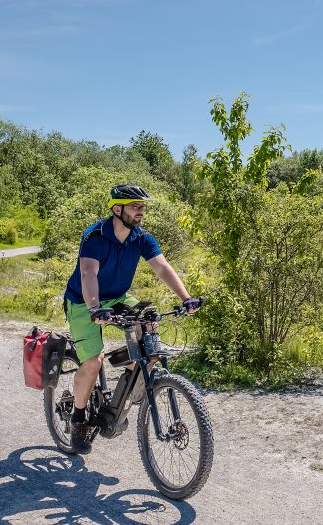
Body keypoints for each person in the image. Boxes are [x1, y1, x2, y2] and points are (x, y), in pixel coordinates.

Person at [63, 183, 199, 454]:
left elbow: (161, 266)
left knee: (150, 333)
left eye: (142, 207)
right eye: (135, 206)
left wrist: (186, 298)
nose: (141, 211)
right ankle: (79, 418)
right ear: (117, 209)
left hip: (117, 298)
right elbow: (89, 274)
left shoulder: (141, 237)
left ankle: (120, 396)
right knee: (92, 362)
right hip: (83, 302)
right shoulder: (95, 237)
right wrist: (94, 308)